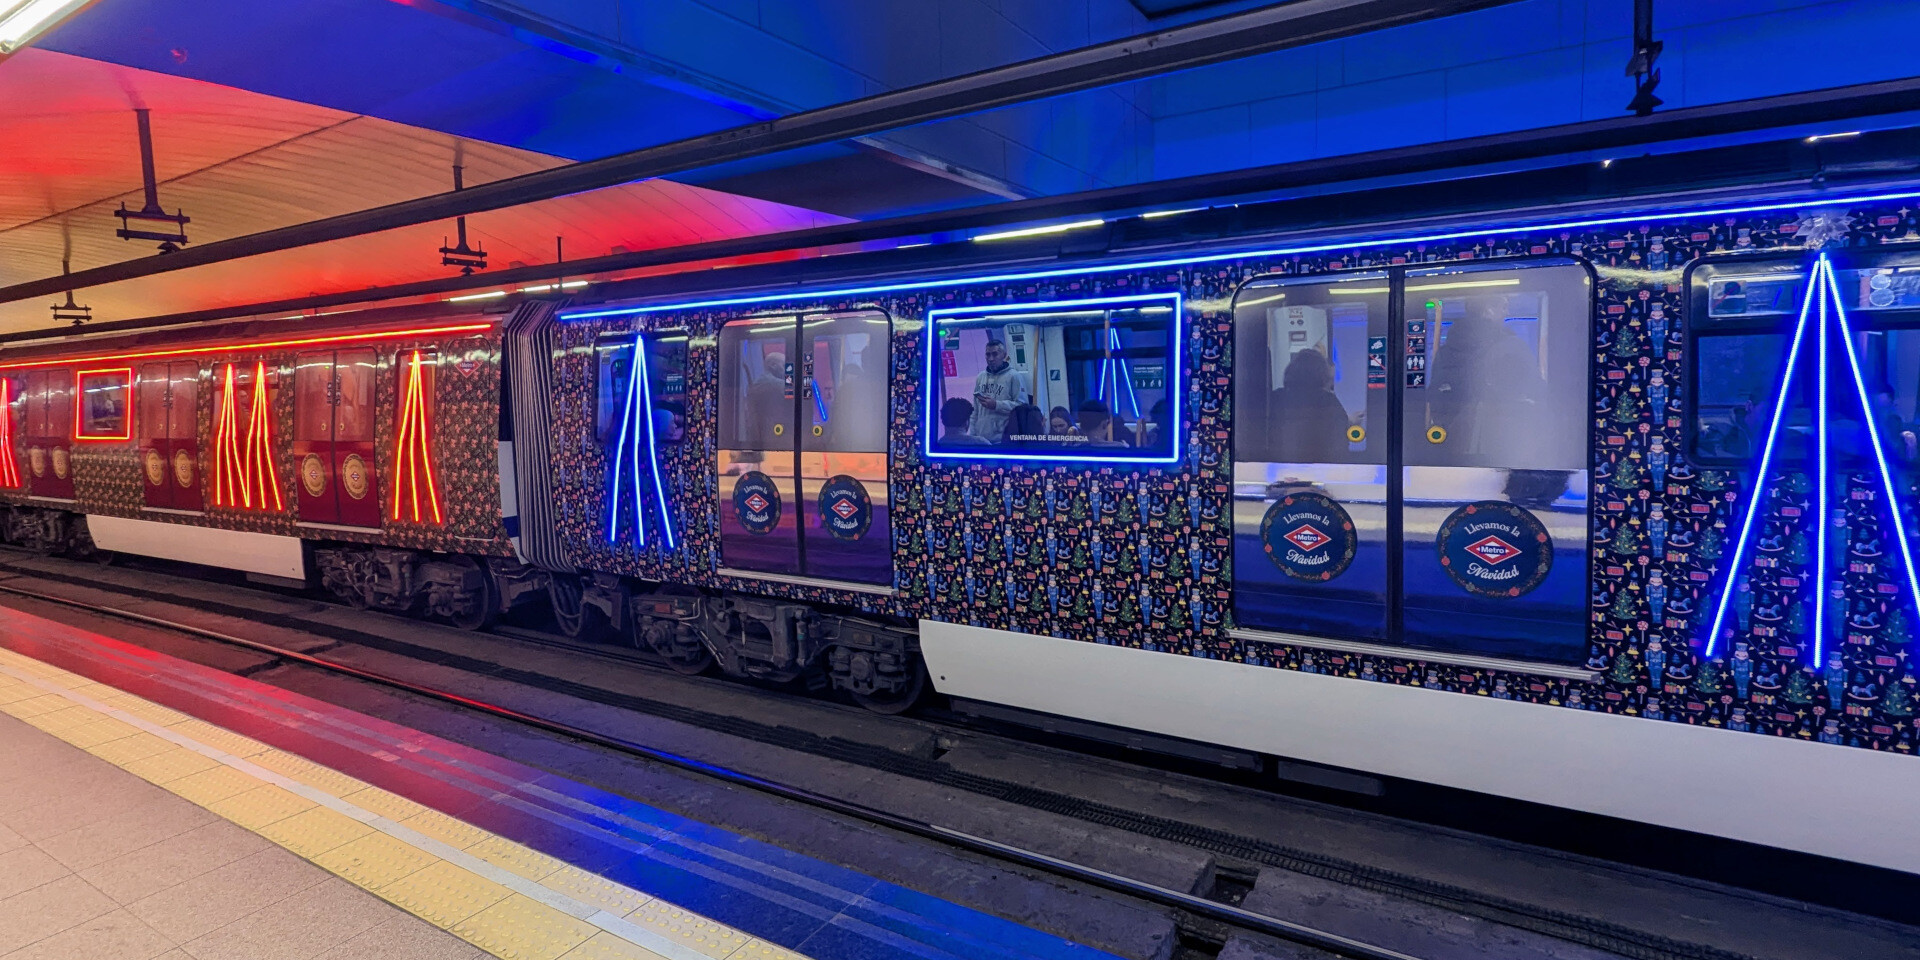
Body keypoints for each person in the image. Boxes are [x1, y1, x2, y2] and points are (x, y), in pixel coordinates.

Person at [1424, 295, 1546, 464]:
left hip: (1454, 443)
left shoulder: (1445, 352)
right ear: (1487, 310)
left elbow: (1435, 397)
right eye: (1503, 307)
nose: (1507, 312)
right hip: (1498, 446)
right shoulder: (1511, 348)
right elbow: (1536, 391)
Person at [1271, 349, 1349, 462]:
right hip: (1320, 468)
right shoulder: (1328, 402)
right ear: (1322, 374)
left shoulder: (1275, 398)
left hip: (1279, 465)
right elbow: (1339, 445)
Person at [968, 339, 1029, 442]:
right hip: (981, 439)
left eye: (995, 354)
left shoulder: (1014, 377)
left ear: (1004, 355)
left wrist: (997, 405)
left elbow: (1023, 407)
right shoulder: (980, 377)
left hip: (1002, 439)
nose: (991, 359)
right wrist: (972, 436)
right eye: (988, 355)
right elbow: (975, 411)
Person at [744, 350, 790, 449]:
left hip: (757, 433)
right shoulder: (774, 383)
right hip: (772, 435)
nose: (786, 370)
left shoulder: (756, 383)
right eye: (784, 365)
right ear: (773, 365)